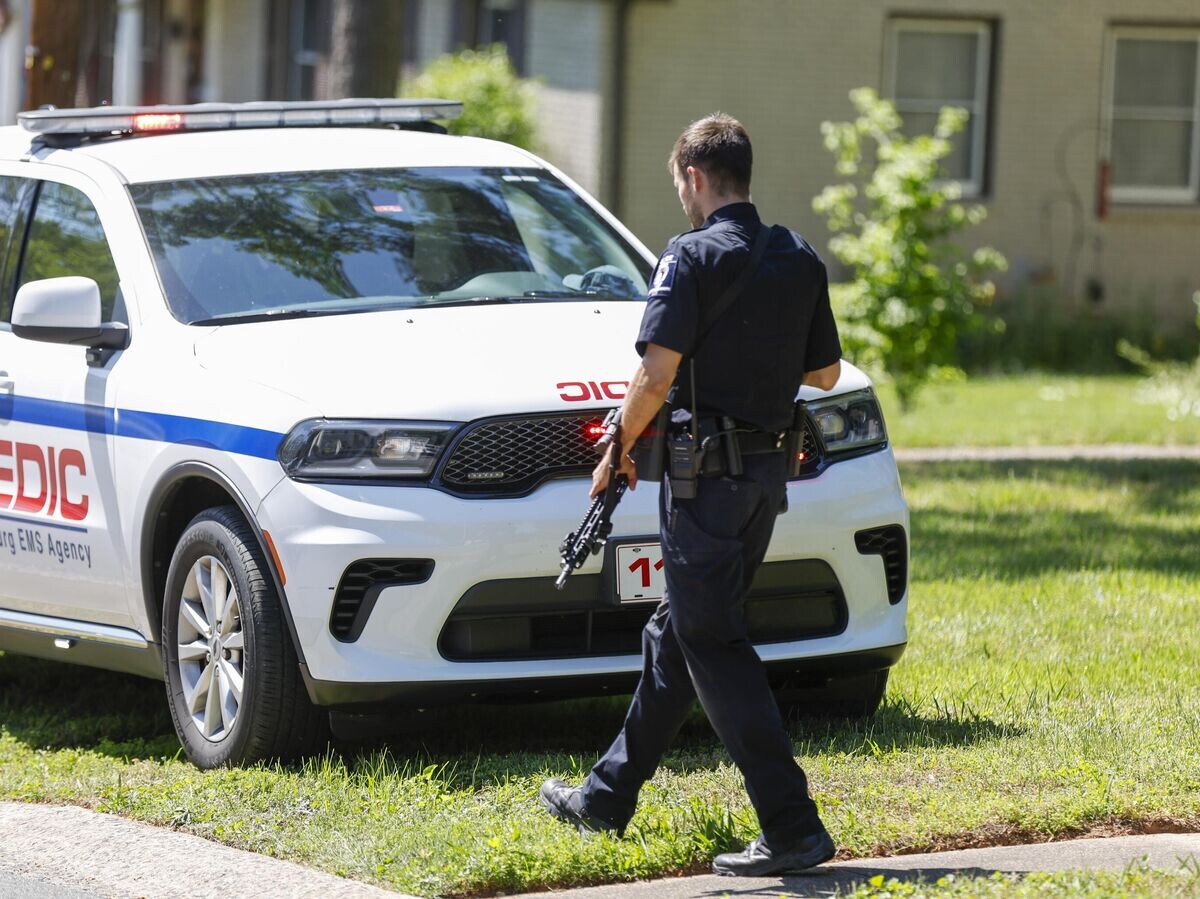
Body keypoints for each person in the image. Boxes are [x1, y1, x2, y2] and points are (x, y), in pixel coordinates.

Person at [539, 113, 844, 876]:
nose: (681, 193)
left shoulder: (690, 256)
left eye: (680, 181)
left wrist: (615, 449)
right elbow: (826, 373)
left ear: (696, 178)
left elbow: (655, 373)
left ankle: (793, 824)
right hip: (764, 483)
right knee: (678, 635)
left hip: (704, 484)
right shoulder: (797, 257)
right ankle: (606, 795)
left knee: (711, 640)